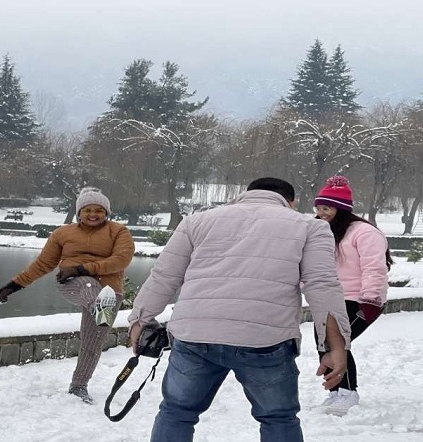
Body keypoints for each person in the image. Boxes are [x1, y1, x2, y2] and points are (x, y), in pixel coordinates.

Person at [128, 177, 352, 442]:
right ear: (290, 202)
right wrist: (336, 346)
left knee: (177, 412)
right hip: (265, 340)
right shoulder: (310, 227)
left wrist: (140, 319)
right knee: (278, 418)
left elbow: (164, 276)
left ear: (247, 194)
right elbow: (321, 286)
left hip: (195, 335)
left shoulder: (196, 222)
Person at [0, 187, 135, 404]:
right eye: (88, 210)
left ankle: (79, 385)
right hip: (72, 283)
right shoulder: (63, 233)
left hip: (108, 289)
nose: (93, 214)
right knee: (88, 286)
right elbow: (43, 264)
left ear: (106, 213)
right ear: (79, 213)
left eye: (99, 210)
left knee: (92, 342)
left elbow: (121, 260)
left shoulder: (118, 231)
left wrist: (82, 268)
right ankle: (99, 308)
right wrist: (14, 285)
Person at [313, 175, 391, 415]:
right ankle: (336, 392)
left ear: (341, 209)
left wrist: (371, 300)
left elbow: (374, 268)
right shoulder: (320, 231)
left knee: (339, 344)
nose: (321, 213)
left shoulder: (364, 233)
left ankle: (348, 392)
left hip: (357, 298)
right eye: (318, 208)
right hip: (328, 298)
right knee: (324, 345)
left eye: (326, 208)